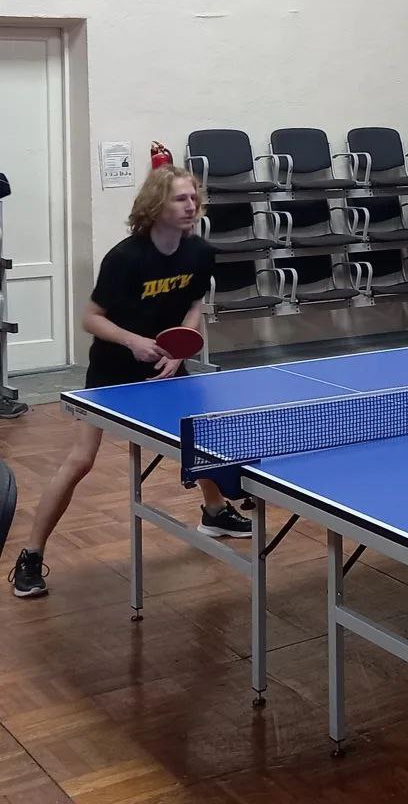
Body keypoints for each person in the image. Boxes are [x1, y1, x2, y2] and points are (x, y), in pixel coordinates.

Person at [8, 167, 250, 598]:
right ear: (156, 205)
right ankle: (30, 554)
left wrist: (180, 350)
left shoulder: (199, 252)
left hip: (165, 365)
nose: (191, 205)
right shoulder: (125, 258)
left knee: (201, 439)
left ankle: (214, 512)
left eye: (193, 197)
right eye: (180, 198)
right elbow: (91, 319)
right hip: (112, 370)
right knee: (81, 461)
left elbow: (194, 305)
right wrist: (134, 342)